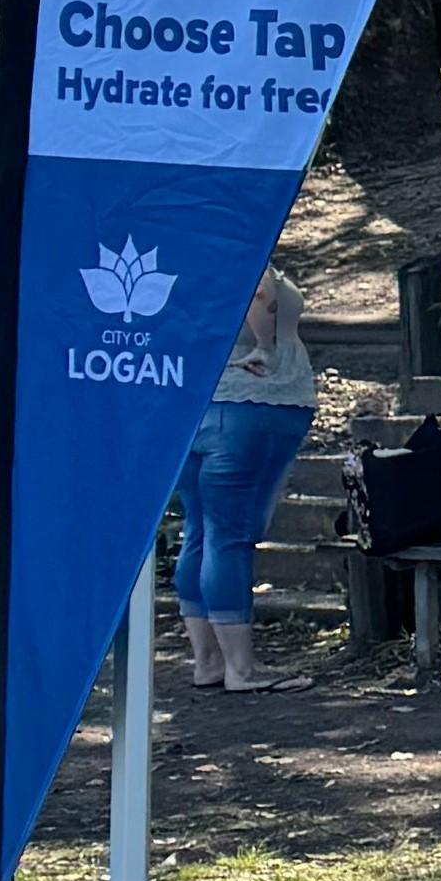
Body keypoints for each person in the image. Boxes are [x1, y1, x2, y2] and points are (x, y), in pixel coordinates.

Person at [176, 264, 318, 692]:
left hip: (191, 409)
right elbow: (257, 289)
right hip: (252, 404)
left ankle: (208, 662)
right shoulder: (239, 237)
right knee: (229, 537)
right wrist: (266, 346)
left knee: (199, 531)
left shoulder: (180, 252)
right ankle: (243, 669)